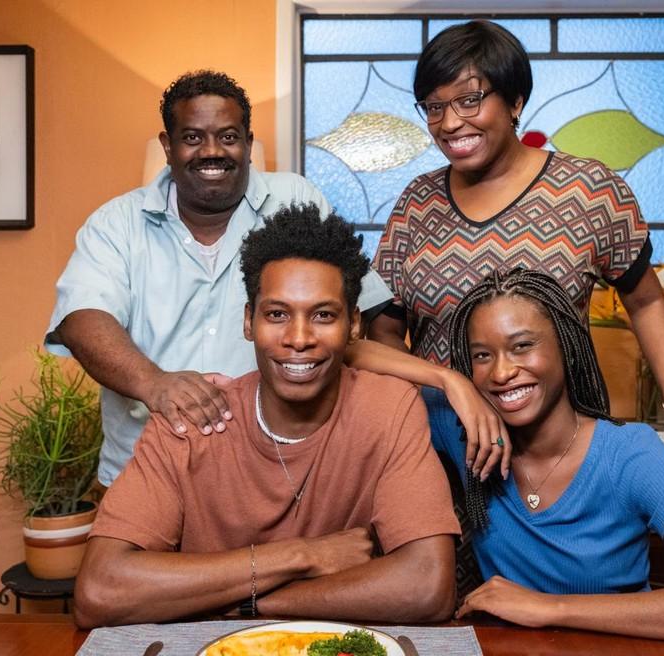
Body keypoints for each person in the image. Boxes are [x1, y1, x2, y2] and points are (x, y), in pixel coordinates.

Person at [370, 20, 664, 482]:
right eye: (434, 107)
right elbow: (381, 334)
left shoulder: (588, 189)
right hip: (440, 451)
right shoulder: (416, 203)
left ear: (516, 101)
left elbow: (644, 302)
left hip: (560, 449)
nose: (450, 122)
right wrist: (447, 390)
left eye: (469, 99)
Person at [73, 205, 459, 628]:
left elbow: (429, 586)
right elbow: (99, 590)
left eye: (323, 315)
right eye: (277, 314)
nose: (298, 339)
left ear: (354, 325)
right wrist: (302, 556)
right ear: (248, 322)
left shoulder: (390, 409)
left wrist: (252, 603)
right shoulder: (191, 419)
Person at [45, 70, 395, 487]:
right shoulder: (116, 223)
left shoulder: (295, 200)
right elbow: (82, 317)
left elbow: (369, 307)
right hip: (146, 474)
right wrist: (154, 384)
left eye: (228, 137)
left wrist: (393, 410)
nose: (212, 151)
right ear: (167, 147)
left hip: (279, 473)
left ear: (249, 143)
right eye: (193, 138)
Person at [444, 268, 664, 642]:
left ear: (566, 346)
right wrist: (451, 382)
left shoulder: (629, 453)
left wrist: (547, 607)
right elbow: (357, 351)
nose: (501, 371)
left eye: (522, 346)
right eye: (482, 355)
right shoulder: (466, 436)